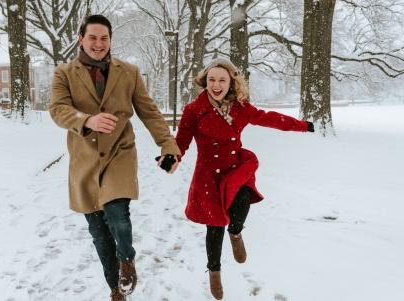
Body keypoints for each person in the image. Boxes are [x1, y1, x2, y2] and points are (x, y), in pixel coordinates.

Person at [49, 15, 180, 301]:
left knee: (118, 214)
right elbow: (58, 109)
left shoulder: (129, 72)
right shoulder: (64, 73)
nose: (99, 44)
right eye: (93, 37)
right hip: (84, 159)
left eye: (104, 38)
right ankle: (115, 290)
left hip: (120, 152)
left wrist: (168, 145)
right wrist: (86, 120)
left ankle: (127, 260)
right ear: (81, 38)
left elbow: (149, 111)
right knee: (98, 232)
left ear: (110, 40)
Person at [175, 58, 314, 300]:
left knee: (242, 199)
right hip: (208, 175)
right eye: (212, 80)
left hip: (234, 169)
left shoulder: (241, 107)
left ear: (231, 83)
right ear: (205, 82)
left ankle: (236, 232)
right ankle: (215, 272)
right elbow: (181, 140)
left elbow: (269, 118)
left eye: (222, 80)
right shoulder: (194, 110)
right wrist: (171, 157)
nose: (216, 85)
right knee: (215, 225)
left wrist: (302, 125)